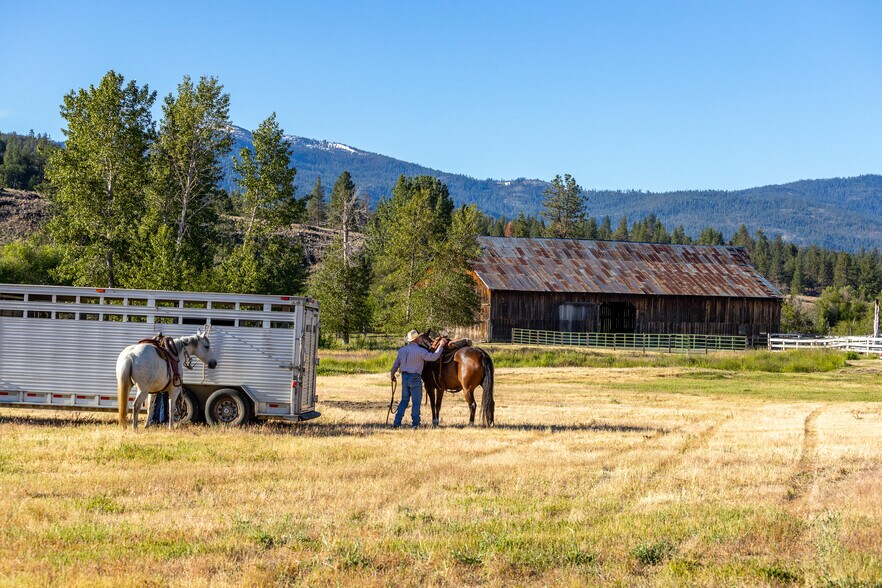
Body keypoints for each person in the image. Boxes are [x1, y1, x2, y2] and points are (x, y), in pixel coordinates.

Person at [390, 329, 446, 428]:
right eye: (419, 338)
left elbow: (395, 365)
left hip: (404, 377)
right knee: (416, 402)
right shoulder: (420, 351)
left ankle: (397, 422)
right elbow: (433, 357)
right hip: (415, 377)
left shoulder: (402, 351)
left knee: (404, 400)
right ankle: (415, 424)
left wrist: (392, 375)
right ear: (416, 339)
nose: (420, 339)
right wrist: (441, 346)